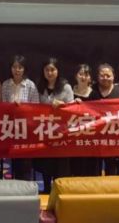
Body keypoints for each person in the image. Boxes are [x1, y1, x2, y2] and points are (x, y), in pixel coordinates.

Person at [37, 57, 74, 193]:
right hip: (45, 131)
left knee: (61, 164)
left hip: (62, 133)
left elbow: (73, 109)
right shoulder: (39, 87)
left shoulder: (66, 87)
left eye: (52, 70)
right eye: (47, 70)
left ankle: (60, 191)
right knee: (46, 163)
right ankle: (47, 189)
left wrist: (63, 106)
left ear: (58, 71)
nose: (49, 73)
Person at [2, 55, 39, 181]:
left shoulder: (30, 85)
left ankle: (27, 188)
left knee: (26, 163)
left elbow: (36, 107)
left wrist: (23, 108)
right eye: (14, 67)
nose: (17, 70)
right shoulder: (6, 85)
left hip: (26, 129)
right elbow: (2, 106)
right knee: (13, 162)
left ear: (24, 69)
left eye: (20, 67)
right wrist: (11, 107)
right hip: (11, 129)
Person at [70, 64, 100, 177]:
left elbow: (99, 115)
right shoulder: (69, 91)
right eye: (81, 74)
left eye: (86, 75)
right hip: (73, 136)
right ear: (75, 76)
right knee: (75, 167)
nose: (83, 77)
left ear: (90, 78)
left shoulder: (95, 94)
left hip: (89, 137)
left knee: (89, 168)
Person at [95, 63, 119, 175]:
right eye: (102, 75)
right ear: (98, 77)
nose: (105, 78)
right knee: (94, 169)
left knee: (111, 169)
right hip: (94, 137)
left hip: (112, 137)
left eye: (108, 75)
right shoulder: (91, 91)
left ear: (113, 76)